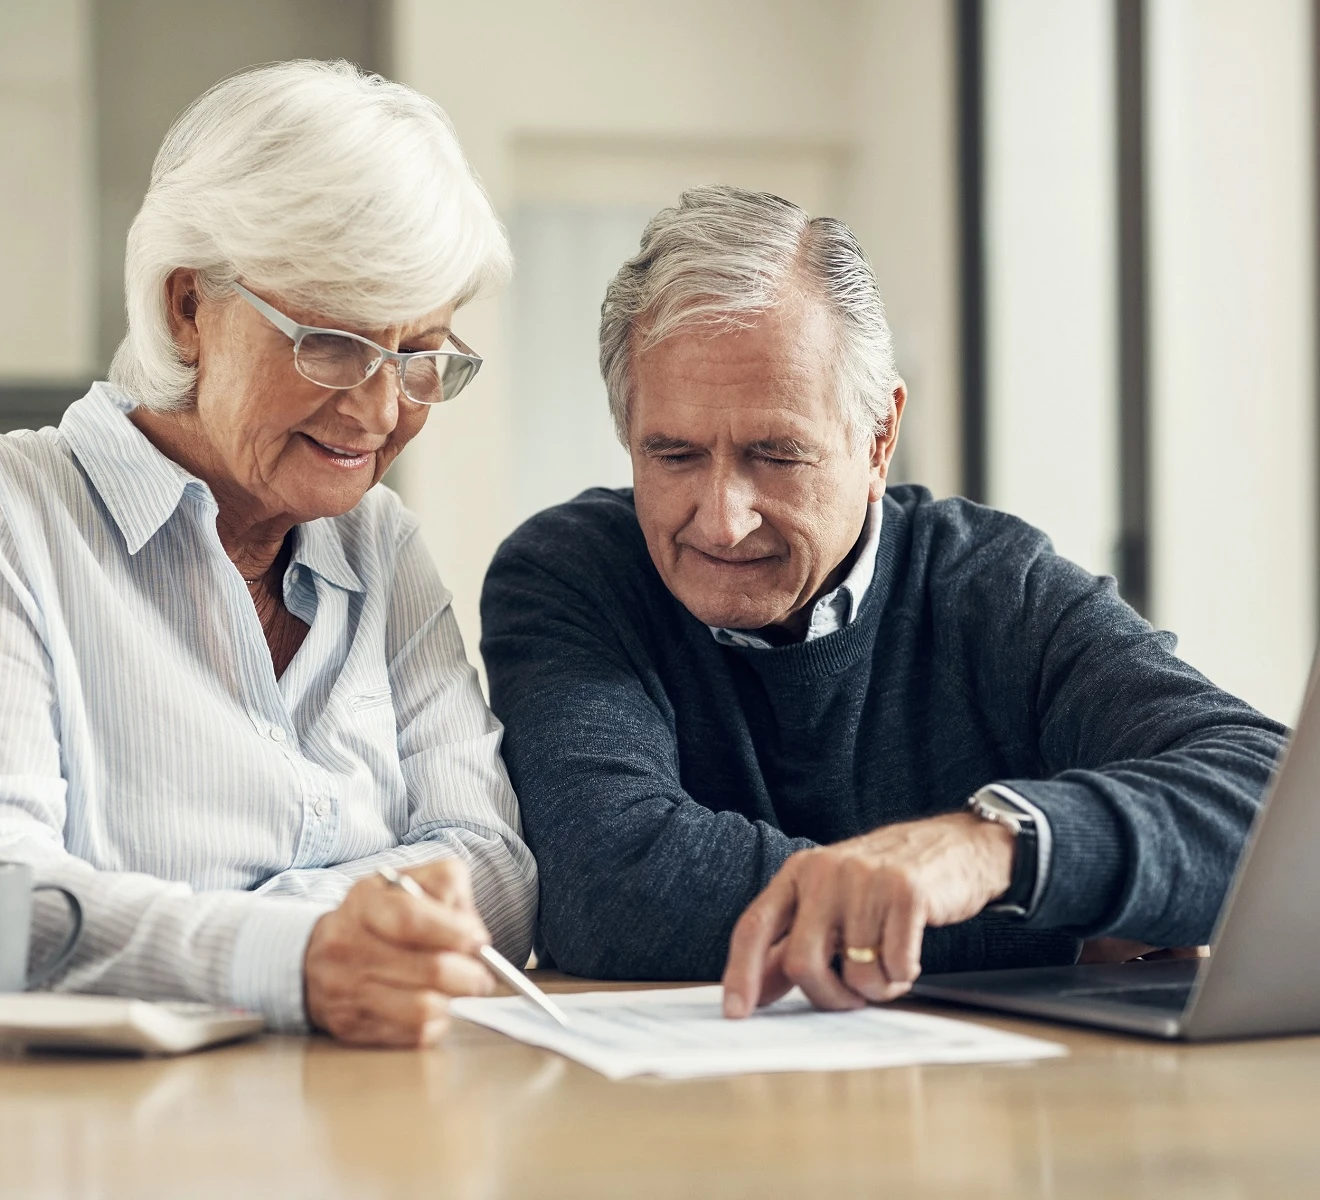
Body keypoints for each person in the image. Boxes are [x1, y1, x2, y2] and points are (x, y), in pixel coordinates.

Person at [480, 185, 1286, 1017]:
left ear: (878, 439)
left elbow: (1278, 812)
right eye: (674, 455)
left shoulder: (995, 585)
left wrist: (986, 852)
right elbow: (609, 888)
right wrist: (1061, 919)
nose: (722, 519)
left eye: (776, 454)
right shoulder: (573, 574)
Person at [0, 61, 535, 1047]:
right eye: (331, 342)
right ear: (186, 310)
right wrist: (296, 955)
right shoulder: (18, 522)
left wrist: (287, 936)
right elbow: (8, 902)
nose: (380, 411)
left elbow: (492, 866)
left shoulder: (383, 547)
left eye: (421, 355)